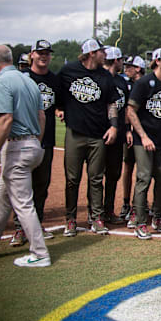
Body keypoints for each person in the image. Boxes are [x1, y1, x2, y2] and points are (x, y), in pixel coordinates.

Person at [0, 44, 50, 267]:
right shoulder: (29, 81)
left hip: (16, 147)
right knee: (5, 201)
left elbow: (6, 120)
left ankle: (40, 253)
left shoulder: (2, 82)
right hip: (34, 144)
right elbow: (41, 116)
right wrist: (36, 142)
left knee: (23, 203)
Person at [58, 39, 119, 237]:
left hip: (98, 135)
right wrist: (60, 109)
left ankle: (97, 218)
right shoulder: (69, 71)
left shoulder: (105, 76)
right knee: (72, 179)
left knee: (96, 179)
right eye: (102, 51)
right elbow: (58, 93)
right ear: (92, 53)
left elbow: (112, 103)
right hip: (75, 133)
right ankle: (71, 219)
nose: (105, 55)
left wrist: (114, 126)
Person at [127, 47, 161, 239]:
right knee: (143, 177)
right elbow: (131, 111)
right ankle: (140, 221)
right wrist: (143, 136)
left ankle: (157, 216)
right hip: (143, 139)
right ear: (157, 61)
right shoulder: (144, 83)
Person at [9, 40, 60, 247]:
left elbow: (60, 104)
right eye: (40, 53)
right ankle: (20, 228)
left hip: (46, 140)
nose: (44, 56)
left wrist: (60, 110)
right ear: (32, 55)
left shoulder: (54, 80)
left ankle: (36, 223)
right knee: (22, 186)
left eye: (47, 53)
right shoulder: (22, 78)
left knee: (42, 185)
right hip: (23, 139)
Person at [99, 46, 130, 225]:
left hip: (117, 134)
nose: (122, 63)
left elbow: (124, 108)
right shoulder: (99, 78)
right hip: (99, 133)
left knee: (113, 174)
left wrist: (126, 129)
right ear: (115, 60)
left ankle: (108, 211)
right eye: (121, 60)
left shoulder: (121, 81)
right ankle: (94, 212)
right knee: (96, 175)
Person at [119, 55, 145, 221]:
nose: (126, 69)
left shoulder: (147, 84)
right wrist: (128, 130)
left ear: (138, 68)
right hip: (130, 132)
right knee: (128, 166)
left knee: (145, 171)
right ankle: (126, 202)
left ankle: (141, 204)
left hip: (147, 131)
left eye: (130, 66)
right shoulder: (125, 84)